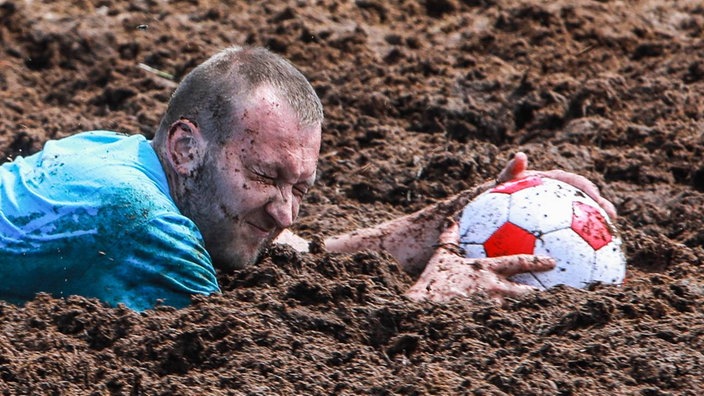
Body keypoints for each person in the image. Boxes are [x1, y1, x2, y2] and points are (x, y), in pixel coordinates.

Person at [0, 46, 616, 311]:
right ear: (187, 148)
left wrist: (412, 232)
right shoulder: (137, 217)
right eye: (265, 176)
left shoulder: (117, 156)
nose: (286, 212)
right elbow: (234, 357)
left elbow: (284, 253)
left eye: (300, 188)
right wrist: (430, 308)